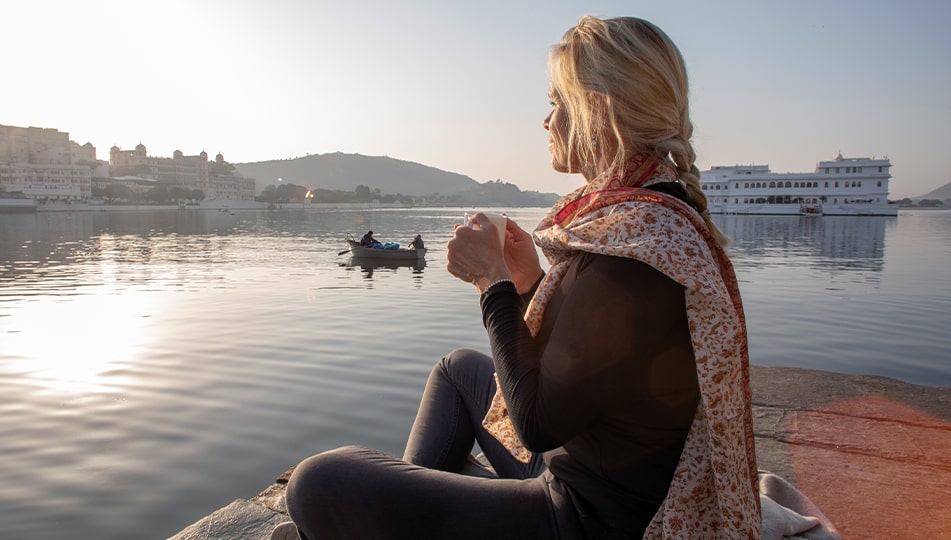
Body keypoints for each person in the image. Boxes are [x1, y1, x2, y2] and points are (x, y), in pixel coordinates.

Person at [272, 16, 760, 540]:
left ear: (595, 109)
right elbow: (588, 373)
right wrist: (529, 284)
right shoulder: (641, 224)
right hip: (582, 469)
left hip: (588, 518)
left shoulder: (635, 248)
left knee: (319, 481)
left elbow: (538, 423)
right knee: (457, 371)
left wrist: (492, 283)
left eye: (556, 102)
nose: (546, 121)